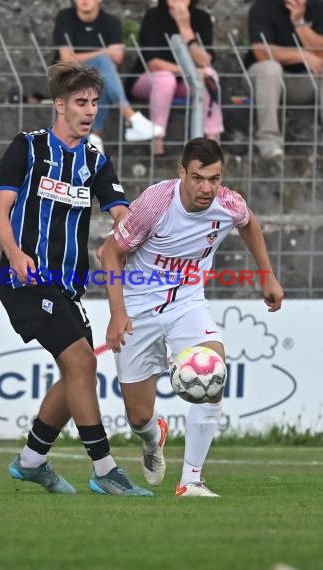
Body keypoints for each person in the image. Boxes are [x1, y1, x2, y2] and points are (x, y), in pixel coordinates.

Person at [0, 61, 152, 497]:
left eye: (95, 103)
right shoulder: (28, 147)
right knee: (81, 361)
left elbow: (121, 212)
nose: (89, 111)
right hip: (24, 278)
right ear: (59, 104)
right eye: (80, 102)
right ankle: (105, 469)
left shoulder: (95, 161)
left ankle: (31, 460)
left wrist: (139, 228)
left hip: (66, 288)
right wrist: (15, 253)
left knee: (76, 369)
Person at [100, 137, 284, 497]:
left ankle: (191, 480)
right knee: (138, 416)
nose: (207, 188)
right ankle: (154, 436)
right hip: (138, 306)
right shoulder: (156, 203)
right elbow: (109, 253)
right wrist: (117, 313)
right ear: (182, 172)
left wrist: (267, 276)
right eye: (198, 178)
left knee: (213, 368)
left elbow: (249, 224)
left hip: (187, 303)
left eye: (214, 178)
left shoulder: (228, 203)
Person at [53, 0, 163, 153]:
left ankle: (95, 140)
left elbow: (117, 57)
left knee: (98, 78)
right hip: (68, 77)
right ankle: (130, 119)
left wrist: (97, 56)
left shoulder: (111, 22)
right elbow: (66, 59)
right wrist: (104, 52)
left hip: (95, 80)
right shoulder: (65, 17)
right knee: (101, 64)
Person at [126, 0, 224, 156]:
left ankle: (212, 141)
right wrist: (188, 72)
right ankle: (157, 140)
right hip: (150, 79)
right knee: (165, 79)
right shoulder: (153, 16)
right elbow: (153, 63)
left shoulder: (201, 18)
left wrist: (185, 28)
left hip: (185, 83)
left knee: (210, 75)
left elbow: (205, 61)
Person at [245, 0, 323, 160]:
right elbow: (262, 53)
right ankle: (269, 142)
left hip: (304, 81)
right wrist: (304, 55)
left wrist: (300, 23)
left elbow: (321, 55)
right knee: (270, 68)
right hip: (262, 80)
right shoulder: (263, 7)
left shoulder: (319, 7)